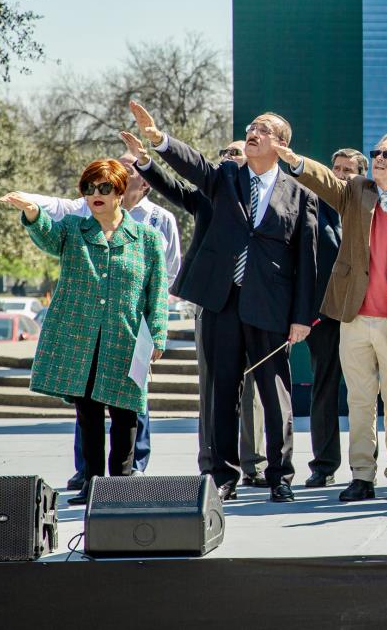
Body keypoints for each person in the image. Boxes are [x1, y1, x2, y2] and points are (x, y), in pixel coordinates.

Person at [131, 102, 319, 502]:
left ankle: (280, 475)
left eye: (264, 130)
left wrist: (302, 318)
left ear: (282, 145)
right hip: (222, 303)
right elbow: (193, 165)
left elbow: (308, 262)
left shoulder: (301, 196)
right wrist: (159, 139)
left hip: (269, 307)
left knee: (275, 394)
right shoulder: (227, 177)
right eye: (252, 127)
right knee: (221, 392)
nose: (253, 132)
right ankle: (223, 475)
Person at [278, 134, 387, 502]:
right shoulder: (356, 193)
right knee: (360, 401)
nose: (379, 158)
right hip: (353, 318)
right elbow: (324, 180)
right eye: (376, 153)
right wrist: (296, 160)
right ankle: (362, 476)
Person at [0, 159, 168, 506]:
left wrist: (159, 336)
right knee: (88, 415)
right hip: (81, 340)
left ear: (120, 192)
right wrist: (32, 211)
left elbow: (158, 292)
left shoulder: (147, 238)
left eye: (104, 188)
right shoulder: (75, 230)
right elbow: (47, 234)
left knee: (125, 414)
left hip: (125, 339)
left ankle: (119, 485)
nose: (95, 194)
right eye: (89, 189)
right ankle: (92, 483)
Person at [129, 135, 270, 487]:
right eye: (223, 154)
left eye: (234, 154)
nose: (227, 158)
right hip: (214, 304)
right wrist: (146, 163)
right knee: (215, 387)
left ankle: (255, 463)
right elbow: (172, 186)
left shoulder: (268, 197)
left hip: (257, 305)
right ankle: (213, 463)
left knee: (255, 389)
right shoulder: (208, 196)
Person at [300, 147, 365, 490]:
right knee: (325, 390)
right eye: (336, 168)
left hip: (366, 315)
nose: (340, 175)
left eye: (348, 170)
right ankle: (324, 465)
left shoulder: (370, 209)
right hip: (325, 317)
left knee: (366, 392)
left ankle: (366, 467)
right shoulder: (313, 208)